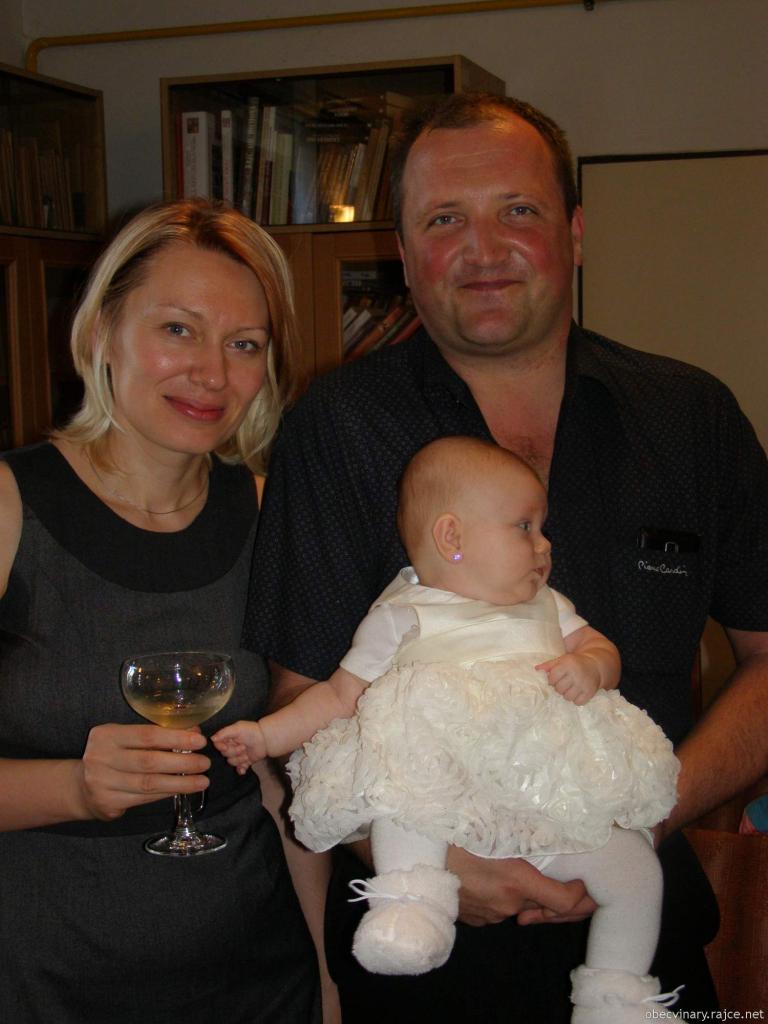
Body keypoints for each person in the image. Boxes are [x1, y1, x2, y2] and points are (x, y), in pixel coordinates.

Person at [243, 94, 768, 1022]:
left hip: (644, 948)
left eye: (517, 210)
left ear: (575, 231)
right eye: (444, 219)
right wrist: (431, 857)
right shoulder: (335, 428)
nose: (482, 250)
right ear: (402, 253)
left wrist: (641, 813)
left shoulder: (692, 417)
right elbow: (307, 693)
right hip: (426, 962)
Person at [216, 437, 681, 1021]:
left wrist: (592, 666)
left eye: (541, 528)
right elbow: (337, 696)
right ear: (451, 538)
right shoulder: (402, 616)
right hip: (448, 801)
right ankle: (412, 907)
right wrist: (266, 737)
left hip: (551, 799)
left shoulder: (548, 605)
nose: (544, 544)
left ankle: (616, 993)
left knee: (637, 871)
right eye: (525, 527)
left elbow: (601, 647)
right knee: (402, 800)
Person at [0, 199, 321, 1023]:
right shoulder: (9, 506)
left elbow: (286, 784)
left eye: (244, 344)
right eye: (179, 329)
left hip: (256, 973)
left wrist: (324, 978)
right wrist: (74, 788)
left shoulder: (270, 512)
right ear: (103, 330)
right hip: (45, 974)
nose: (213, 373)